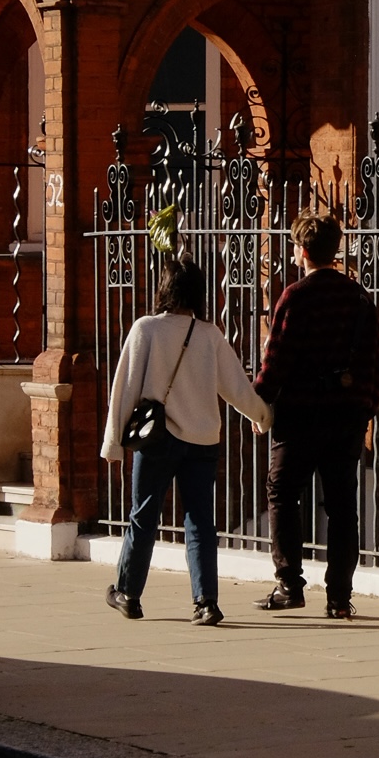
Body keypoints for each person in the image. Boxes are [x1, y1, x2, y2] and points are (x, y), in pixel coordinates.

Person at [101, 256, 272, 626]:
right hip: (202, 439)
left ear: (164, 289)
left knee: (144, 516)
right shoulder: (209, 335)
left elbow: (124, 389)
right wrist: (261, 416)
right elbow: (236, 387)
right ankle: (206, 602)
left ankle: (128, 593)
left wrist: (113, 443)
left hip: (156, 440)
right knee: (200, 521)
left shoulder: (146, 330)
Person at [254, 208, 379, 620]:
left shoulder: (296, 297)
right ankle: (339, 597)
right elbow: (375, 360)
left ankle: (289, 584)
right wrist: (367, 406)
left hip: (301, 415)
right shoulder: (359, 297)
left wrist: (258, 401)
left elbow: (277, 359)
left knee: (282, 492)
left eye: (295, 246)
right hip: (347, 416)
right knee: (343, 505)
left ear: (303, 251)